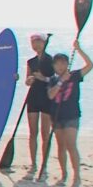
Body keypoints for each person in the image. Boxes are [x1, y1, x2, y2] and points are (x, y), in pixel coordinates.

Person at [47, 41, 93, 187]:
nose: (60, 66)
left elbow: (90, 65)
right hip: (56, 116)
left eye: (63, 63)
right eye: (57, 64)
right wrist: (61, 81)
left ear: (67, 64)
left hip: (72, 115)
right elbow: (51, 95)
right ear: (54, 66)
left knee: (71, 145)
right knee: (61, 146)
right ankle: (64, 175)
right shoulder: (53, 79)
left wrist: (79, 49)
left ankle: (77, 176)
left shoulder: (74, 75)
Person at [25, 32, 55, 173]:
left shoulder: (51, 60)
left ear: (44, 43)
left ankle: (44, 163)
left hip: (47, 98)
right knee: (33, 133)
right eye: (33, 42)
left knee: (45, 133)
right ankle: (33, 163)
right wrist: (30, 80)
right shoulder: (31, 62)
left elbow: (56, 80)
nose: (36, 45)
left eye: (38, 42)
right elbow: (27, 81)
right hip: (33, 97)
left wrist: (44, 78)